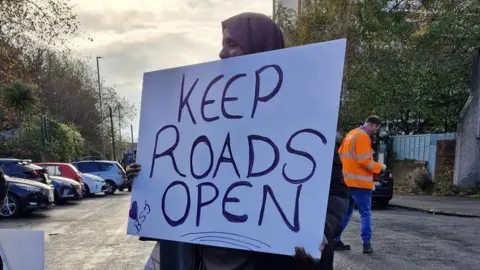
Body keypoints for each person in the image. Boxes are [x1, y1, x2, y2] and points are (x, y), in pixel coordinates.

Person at [128, 12, 348, 270]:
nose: (221, 54)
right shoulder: (201, 115)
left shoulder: (302, 121)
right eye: (222, 45)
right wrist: (147, 179)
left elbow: (336, 192)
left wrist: (319, 229)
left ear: (261, 49)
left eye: (231, 44)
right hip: (205, 259)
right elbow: (184, 180)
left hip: (270, 261)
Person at [334, 115, 386, 254]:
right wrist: (380, 167)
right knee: (365, 214)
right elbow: (364, 161)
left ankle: (335, 240)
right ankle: (366, 244)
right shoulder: (363, 136)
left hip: (346, 181)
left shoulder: (351, 134)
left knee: (346, 212)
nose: (375, 131)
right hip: (360, 183)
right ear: (374, 125)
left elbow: (341, 154)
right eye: (376, 128)